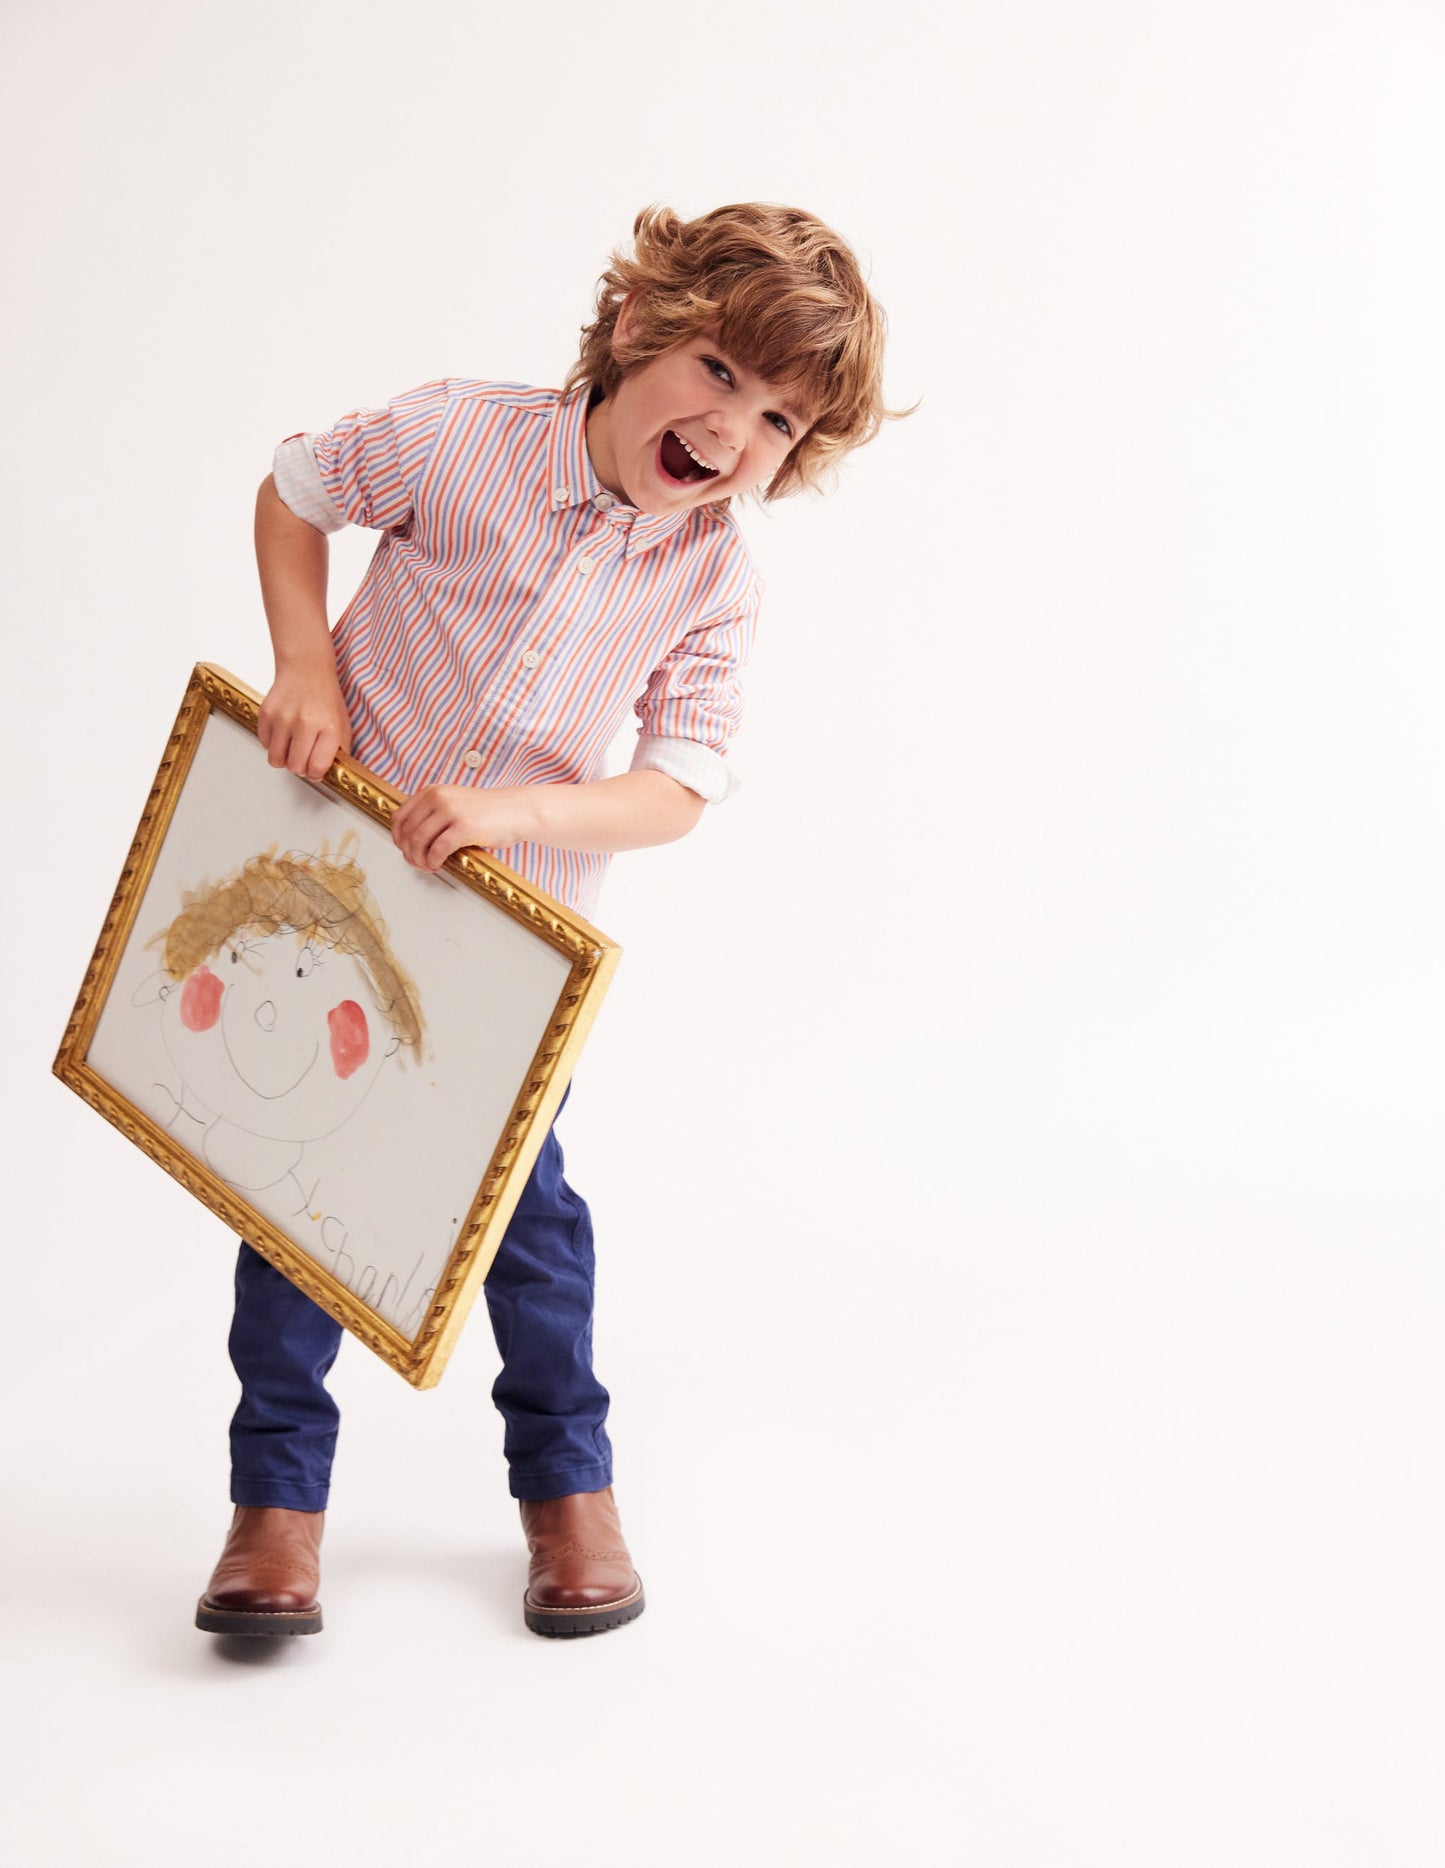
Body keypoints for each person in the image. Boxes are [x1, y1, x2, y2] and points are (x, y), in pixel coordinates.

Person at [196, 201, 901, 1640]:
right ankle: (275, 1507)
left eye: (774, 422)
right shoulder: (460, 436)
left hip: (501, 949)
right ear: (641, 326)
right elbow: (293, 489)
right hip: (331, 899)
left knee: (524, 1213)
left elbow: (681, 783)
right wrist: (303, 666)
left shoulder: (712, 580)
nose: (731, 431)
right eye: (718, 375)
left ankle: (567, 1491)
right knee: (295, 1193)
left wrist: (516, 819)